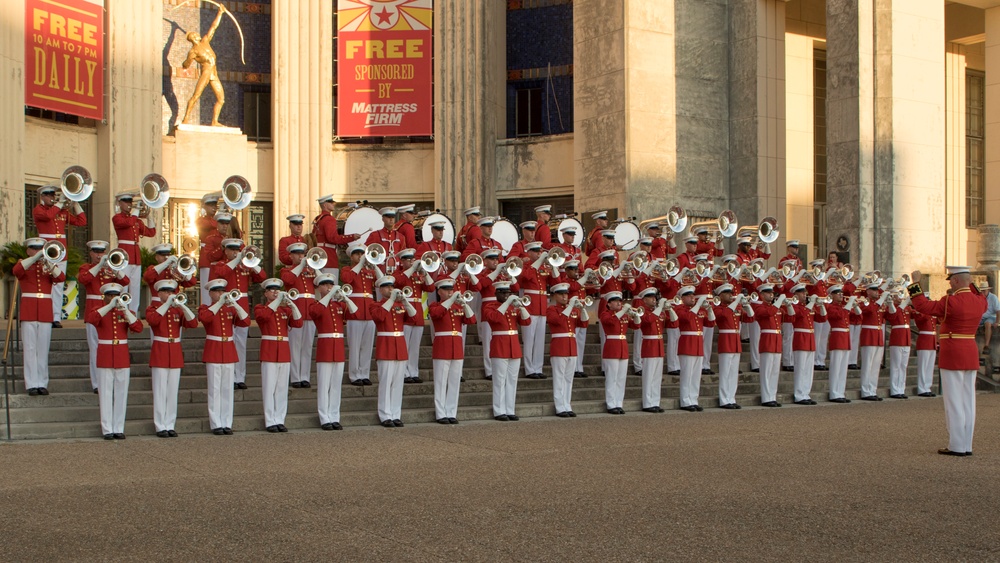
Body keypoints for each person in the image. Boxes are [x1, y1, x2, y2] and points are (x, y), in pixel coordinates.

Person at [908, 266, 987, 456]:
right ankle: (966, 444)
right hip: (970, 351)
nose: (950, 283)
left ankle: (957, 445)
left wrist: (915, 284)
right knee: (968, 400)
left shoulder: (951, 301)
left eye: (952, 279)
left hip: (953, 352)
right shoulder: (980, 302)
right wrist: (970, 283)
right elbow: (977, 293)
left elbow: (922, 306)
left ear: (957, 281)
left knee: (954, 401)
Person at [86, 283, 142, 439]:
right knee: (105, 393)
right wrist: (109, 306)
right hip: (105, 355)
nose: (113, 298)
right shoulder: (100, 311)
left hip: (121, 356)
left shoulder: (126, 312)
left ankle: (118, 427)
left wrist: (124, 310)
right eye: (110, 296)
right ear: (105, 297)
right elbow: (92, 318)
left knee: (121, 393)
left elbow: (137, 328)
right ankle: (107, 429)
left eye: (115, 295)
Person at [145, 280, 198, 437]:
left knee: (172, 391)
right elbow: (153, 320)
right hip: (160, 351)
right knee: (160, 390)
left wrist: (183, 307)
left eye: (171, 292)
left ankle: (170, 423)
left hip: (174, 352)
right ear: (159, 293)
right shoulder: (153, 309)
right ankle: (160, 425)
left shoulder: (177, 310)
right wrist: (167, 304)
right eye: (166, 292)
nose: (169, 295)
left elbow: (193, 323)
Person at [212, 238, 266, 389]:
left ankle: (239, 376)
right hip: (227, 304)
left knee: (241, 342)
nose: (235, 252)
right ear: (226, 251)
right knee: (228, 341)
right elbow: (221, 273)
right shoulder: (222, 264)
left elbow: (261, 277)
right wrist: (237, 260)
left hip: (241, 305)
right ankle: (229, 376)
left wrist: (252, 264)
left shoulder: (245, 265)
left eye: (237, 250)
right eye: (232, 250)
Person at [14, 237, 65, 396]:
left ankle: (42, 382)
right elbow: (16, 271)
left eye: (40, 248)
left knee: (43, 348)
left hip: (44, 311)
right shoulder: (24, 264)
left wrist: (48, 261)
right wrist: (35, 258)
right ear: (28, 250)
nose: (37, 251)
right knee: (30, 348)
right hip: (29, 310)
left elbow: (60, 277)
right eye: (34, 249)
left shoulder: (48, 266)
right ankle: (31, 384)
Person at [199, 278, 251, 435]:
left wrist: (235, 304)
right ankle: (216, 423)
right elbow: (205, 318)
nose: (221, 294)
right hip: (214, 350)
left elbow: (246, 321)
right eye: (217, 291)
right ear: (211, 293)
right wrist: (219, 303)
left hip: (228, 351)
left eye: (222, 291)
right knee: (215, 389)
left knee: (227, 389)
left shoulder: (230, 310)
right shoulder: (206, 308)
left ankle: (227, 422)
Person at [77, 241, 128, 393]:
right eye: (96, 252)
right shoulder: (86, 267)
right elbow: (83, 279)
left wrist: (114, 268)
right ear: (91, 253)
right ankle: (97, 383)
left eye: (102, 252)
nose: (99, 255)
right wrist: (99, 266)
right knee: (94, 347)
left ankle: (108, 380)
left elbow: (125, 281)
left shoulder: (111, 268)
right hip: (94, 310)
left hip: (110, 312)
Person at [33, 184, 86, 326]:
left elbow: (82, 221)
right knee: (45, 285)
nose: (51, 197)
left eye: (53, 195)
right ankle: (45, 315)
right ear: (42, 197)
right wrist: (60, 203)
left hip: (61, 252)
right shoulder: (39, 210)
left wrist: (75, 203)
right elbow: (48, 215)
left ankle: (55, 317)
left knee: (58, 286)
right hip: (46, 252)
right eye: (49, 195)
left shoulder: (62, 212)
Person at [256, 279, 303, 433]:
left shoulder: (284, 311)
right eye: (271, 290)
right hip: (269, 350)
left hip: (283, 351)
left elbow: (298, 323)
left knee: (282, 388)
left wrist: (292, 304)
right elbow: (263, 317)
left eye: (277, 289)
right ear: (265, 293)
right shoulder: (260, 308)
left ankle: (280, 419)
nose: (275, 292)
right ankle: (270, 420)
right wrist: (277, 302)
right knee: (269, 387)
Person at [370, 276, 417, 427]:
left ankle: (395, 414)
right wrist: (391, 300)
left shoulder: (399, 305)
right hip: (386, 347)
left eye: (391, 287)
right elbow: (379, 316)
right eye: (386, 287)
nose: (390, 289)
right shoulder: (375, 305)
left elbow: (415, 318)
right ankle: (385, 414)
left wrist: (405, 302)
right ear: (380, 289)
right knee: (386, 382)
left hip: (400, 347)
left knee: (397, 383)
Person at [309, 274, 355, 430]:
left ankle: (334, 416)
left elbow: (355, 313)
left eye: (331, 284)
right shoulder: (316, 304)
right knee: (324, 384)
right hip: (326, 347)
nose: (329, 286)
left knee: (336, 385)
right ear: (319, 287)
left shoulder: (339, 306)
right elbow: (315, 313)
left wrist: (345, 298)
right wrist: (329, 295)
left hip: (338, 347)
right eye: (325, 284)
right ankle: (324, 417)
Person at [429, 279, 476, 423]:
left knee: (454, 382)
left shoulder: (457, 306)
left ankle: (451, 412)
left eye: (451, 290)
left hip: (456, 347)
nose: (450, 292)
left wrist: (464, 305)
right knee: (441, 381)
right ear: (439, 291)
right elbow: (437, 314)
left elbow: (471, 320)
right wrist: (452, 300)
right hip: (442, 346)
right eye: (447, 290)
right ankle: (440, 413)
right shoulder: (435, 305)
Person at [482, 282, 531, 421]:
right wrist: (507, 302)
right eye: (503, 293)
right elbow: (495, 318)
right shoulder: (490, 307)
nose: (506, 295)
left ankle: (510, 409)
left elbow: (527, 321)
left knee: (512, 380)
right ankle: (499, 410)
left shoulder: (512, 307)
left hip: (513, 346)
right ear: (496, 293)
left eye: (508, 293)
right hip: (500, 346)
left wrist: (521, 307)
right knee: (499, 380)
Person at [341, 241, 382, 385]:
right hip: (355, 312)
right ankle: (354, 375)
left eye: (362, 254)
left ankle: (364, 373)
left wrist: (374, 264)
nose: (360, 256)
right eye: (357, 254)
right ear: (351, 256)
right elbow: (347, 279)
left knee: (367, 345)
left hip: (369, 312)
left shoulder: (369, 272)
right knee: (355, 345)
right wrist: (360, 264)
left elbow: (382, 281)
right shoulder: (347, 269)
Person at [180, 2, 228, 126]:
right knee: (196, 95)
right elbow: (186, 65)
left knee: (221, 99)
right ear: (192, 38)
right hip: (206, 72)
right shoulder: (194, 51)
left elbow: (213, 27)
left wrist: (220, 13)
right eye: (195, 34)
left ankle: (214, 121)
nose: (197, 34)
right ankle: (186, 119)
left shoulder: (205, 41)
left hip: (214, 73)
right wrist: (188, 60)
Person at [280, 243, 318, 388]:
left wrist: (314, 267)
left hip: (309, 312)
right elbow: (288, 280)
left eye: (302, 254)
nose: (301, 256)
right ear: (291, 256)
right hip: (296, 313)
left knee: (307, 346)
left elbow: (320, 283)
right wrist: (301, 266)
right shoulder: (287, 270)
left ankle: (305, 376)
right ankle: (295, 377)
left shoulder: (309, 271)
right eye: (297, 254)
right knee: (295, 346)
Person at [548, 283, 589, 417]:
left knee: (568, 379)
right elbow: (558, 321)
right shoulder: (552, 309)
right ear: (555, 296)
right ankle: (560, 406)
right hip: (560, 346)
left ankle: (567, 404)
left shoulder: (572, 310)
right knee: (559, 378)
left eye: (566, 294)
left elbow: (584, 323)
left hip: (571, 347)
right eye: (561, 294)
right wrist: (571, 306)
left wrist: (582, 309)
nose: (565, 296)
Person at [395, 248, 435, 383]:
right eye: (408, 260)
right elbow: (398, 282)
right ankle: (404, 372)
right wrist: (412, 270)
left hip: (417, 312)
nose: (411, 262)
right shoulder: (399, 273)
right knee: (404, 345)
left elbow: (430, 288)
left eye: (412, 259)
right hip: (405, 312)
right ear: (402, 261)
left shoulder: (418, 275)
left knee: (415, 347)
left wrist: (424, 272)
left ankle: (413, 371)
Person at [112, 192, 156, 313]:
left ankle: (133, 312)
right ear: (120, 204)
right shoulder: (117, 218)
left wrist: (149, 217)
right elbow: (128, 223)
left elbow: (151, 232)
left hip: (136, 256)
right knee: (123, 285)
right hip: (124, 255)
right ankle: (122, 310)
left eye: (130, 202)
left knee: (135, 287)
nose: (129, 204)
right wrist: (136, 211)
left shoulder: (136, 220)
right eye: (126, 202)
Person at [673, 287, 713, 411]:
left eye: (693, 296)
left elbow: (710, 323)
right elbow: (688, 318)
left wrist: (709, 309)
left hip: (698, 344)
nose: (692, 298)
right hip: (687, 343)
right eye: (689, 296)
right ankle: (685, 401)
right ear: (683, 298)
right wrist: (699, 305)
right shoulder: (679, 309)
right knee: (687, 374)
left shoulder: (699, 310)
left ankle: (693, 399)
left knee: (696, 375)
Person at [600, 292, 641, 414]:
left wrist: (636, 315)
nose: (619, 303)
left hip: (623, 347)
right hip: (612, 347)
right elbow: (611, 322)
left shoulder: (623, 315)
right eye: (616, 301)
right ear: (609, 303)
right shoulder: (605, 314)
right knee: (612, 378)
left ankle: (618, 402)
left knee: (621, 378)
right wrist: (623, 312)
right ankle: (611, 403)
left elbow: (636, 326)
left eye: (620, 300)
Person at [714, 284, 753, 409]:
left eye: (731, 293)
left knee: (733, 373)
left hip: (735, 342)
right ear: (720, 296)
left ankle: (731, 397)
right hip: (726, 341)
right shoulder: (718, 308)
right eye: (727, 293)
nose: (731, 295)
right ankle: (724, 399)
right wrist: (737, 301)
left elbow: (750, 318)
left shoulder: (735, 308)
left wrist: (747, 305)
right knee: (725, 372)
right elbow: (724, 315)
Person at [789, 284, 825, 405]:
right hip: (801, 338)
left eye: (805, 292)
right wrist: (812, 303)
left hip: (810, 339)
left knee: (809, 369)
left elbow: (822, 318)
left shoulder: (808, 306)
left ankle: (806, 393)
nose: (805, 295)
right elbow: (802, 314)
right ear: (796, 295)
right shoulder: (795, 306)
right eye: (802, 293)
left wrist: (821, 306)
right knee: (801, 368)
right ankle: (799, 394)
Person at [637, 287, 671, 412]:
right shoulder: (642, 311)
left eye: (654, 297)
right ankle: (647, 403)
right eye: (651, 297)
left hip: (658, 345)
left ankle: (655, 401)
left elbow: (674, 323)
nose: (654, 300)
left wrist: (670, 310)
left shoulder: (659, 312)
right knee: (649, 376)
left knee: (657, 377)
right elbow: (648, 320)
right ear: (644, 300)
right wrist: (659, 307)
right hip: (649, 344)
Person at [313, 194, 361, 282]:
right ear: (325, 205)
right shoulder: (329, 219)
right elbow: (333, 238)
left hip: (318, 255)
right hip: (328, 256)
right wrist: (351, 237)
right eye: (331, 202)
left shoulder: (318, 219)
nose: (333, 204)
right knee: (330, 284)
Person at [824, 285, 859, 403]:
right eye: (837, 293)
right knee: (836, 367)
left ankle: (840, 392)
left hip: (845, 337)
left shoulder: (843, 306)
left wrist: (855, 305)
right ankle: (834, 393)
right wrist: (850, 305)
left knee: (843, 368)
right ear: (832, 295)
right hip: (838, 336)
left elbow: (859, 316)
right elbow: (840, 315)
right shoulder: (830, 307)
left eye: (841, 293)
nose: (840, 295)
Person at [859, 281, 892, 401]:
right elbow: (870, 311)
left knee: (876, 365)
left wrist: (890, 304)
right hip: (869, 335)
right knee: (868, 364)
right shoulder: (865, 301)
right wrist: (881, 300)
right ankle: (865, 391)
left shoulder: (880, 304)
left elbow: (890, 316)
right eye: (874, 290)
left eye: (877, 290)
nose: (876, 292)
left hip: (878, 335)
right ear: (868, 291)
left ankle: (872, 390)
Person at [752, 284, 784, 407]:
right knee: (766, 371)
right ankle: (766, 398)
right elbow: (769, 313)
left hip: (776, 339)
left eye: (772, 292)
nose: (771, 294)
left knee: (775, 371)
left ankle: (772, 396)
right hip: (767, 339)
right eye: (768, 292)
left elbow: (790, 317)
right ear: (762, 294)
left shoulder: (775, 308)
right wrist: (779, 301)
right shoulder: (760, 307)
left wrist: (788, 305)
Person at [886, 291, 913, 399]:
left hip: (906, 338)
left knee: (903, 366)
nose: (900, 297)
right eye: (898, 295)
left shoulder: (906, 308)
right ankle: (894, 390)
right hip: (897, 338)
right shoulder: (893, 307)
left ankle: (901, 389)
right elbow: (893, 316)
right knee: (896, 366)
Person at [366, 207, 404, 274]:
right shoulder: (374, 235)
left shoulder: (401, 237)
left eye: (393, 217)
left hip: (397, 271)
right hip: (379, 271)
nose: (391, 219)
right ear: (383, 219)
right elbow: (367, 253)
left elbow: (403, 256)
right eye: (388, 217)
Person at [913, 307, 939, 397]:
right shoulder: (920, 314)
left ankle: (927, 387)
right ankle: (922, 388)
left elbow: (940, 320)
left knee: (929, 367)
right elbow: (922, 319)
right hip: (924, 341)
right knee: (923, 367)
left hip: (932, 341)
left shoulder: (931, 315)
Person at [975, 285, 1000, 374]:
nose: (983, 293)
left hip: (990, 316)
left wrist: (997, 322)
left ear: (987, 290)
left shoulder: (993, 298)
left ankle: (986, 345)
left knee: (988, 324)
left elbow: (998, 311)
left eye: (984, 291)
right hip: (981, 317)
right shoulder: (979, 297)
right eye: (981, 291)